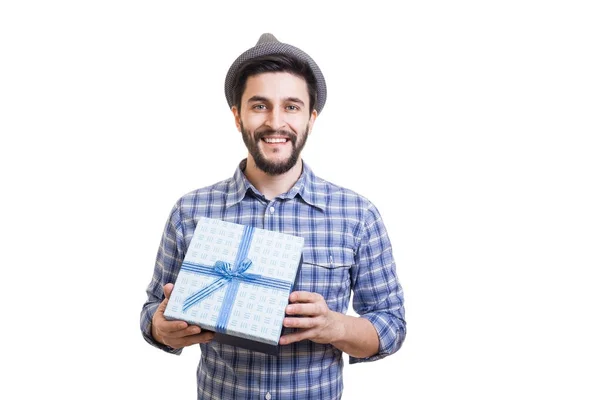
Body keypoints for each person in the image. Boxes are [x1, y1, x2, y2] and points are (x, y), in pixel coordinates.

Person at [140, 33, 406, 400]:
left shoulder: (356, 216)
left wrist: (335, 325)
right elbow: (152, 314)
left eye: (292, 107)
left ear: (312, 118)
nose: (275, 122)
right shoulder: (191, 212)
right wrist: (161, 327)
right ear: (238, 116)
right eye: (260, 106)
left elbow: (391, 327)